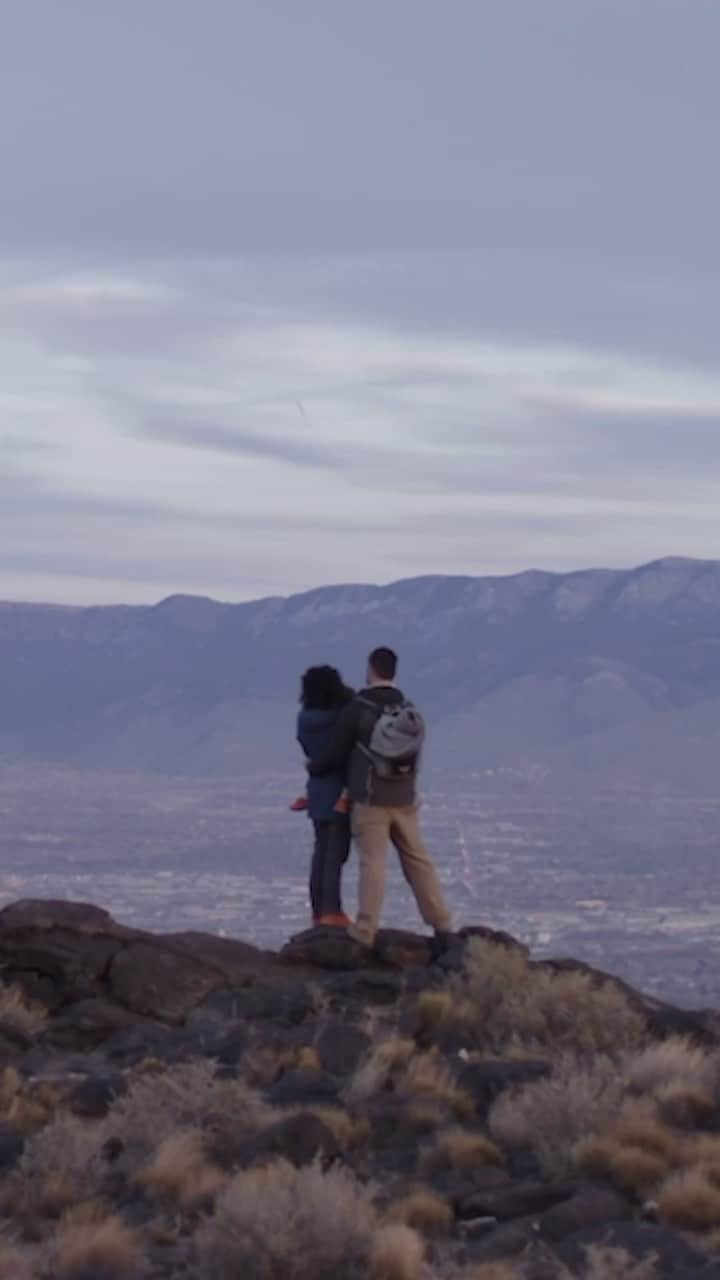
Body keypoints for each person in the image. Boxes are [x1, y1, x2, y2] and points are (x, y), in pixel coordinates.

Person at [307, 646, 452, 948]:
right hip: (404, 798)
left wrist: (314, 767)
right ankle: (441, 922)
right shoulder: (407, 709)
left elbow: (337, 752)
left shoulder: (358, 708)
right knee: (418, 860)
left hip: (369, 799)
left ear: (371, 669)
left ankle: (365, 929)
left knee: (372, 863)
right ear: (394, 671)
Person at [296, 666, 354, 927]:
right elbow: (344, 751)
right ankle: (332, 910)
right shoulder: (341, 717)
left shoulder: (304, 719)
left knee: (321, 852)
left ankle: (319, 910)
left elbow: (311, 753)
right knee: (335, 854)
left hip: (316, 789)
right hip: (339, 790)